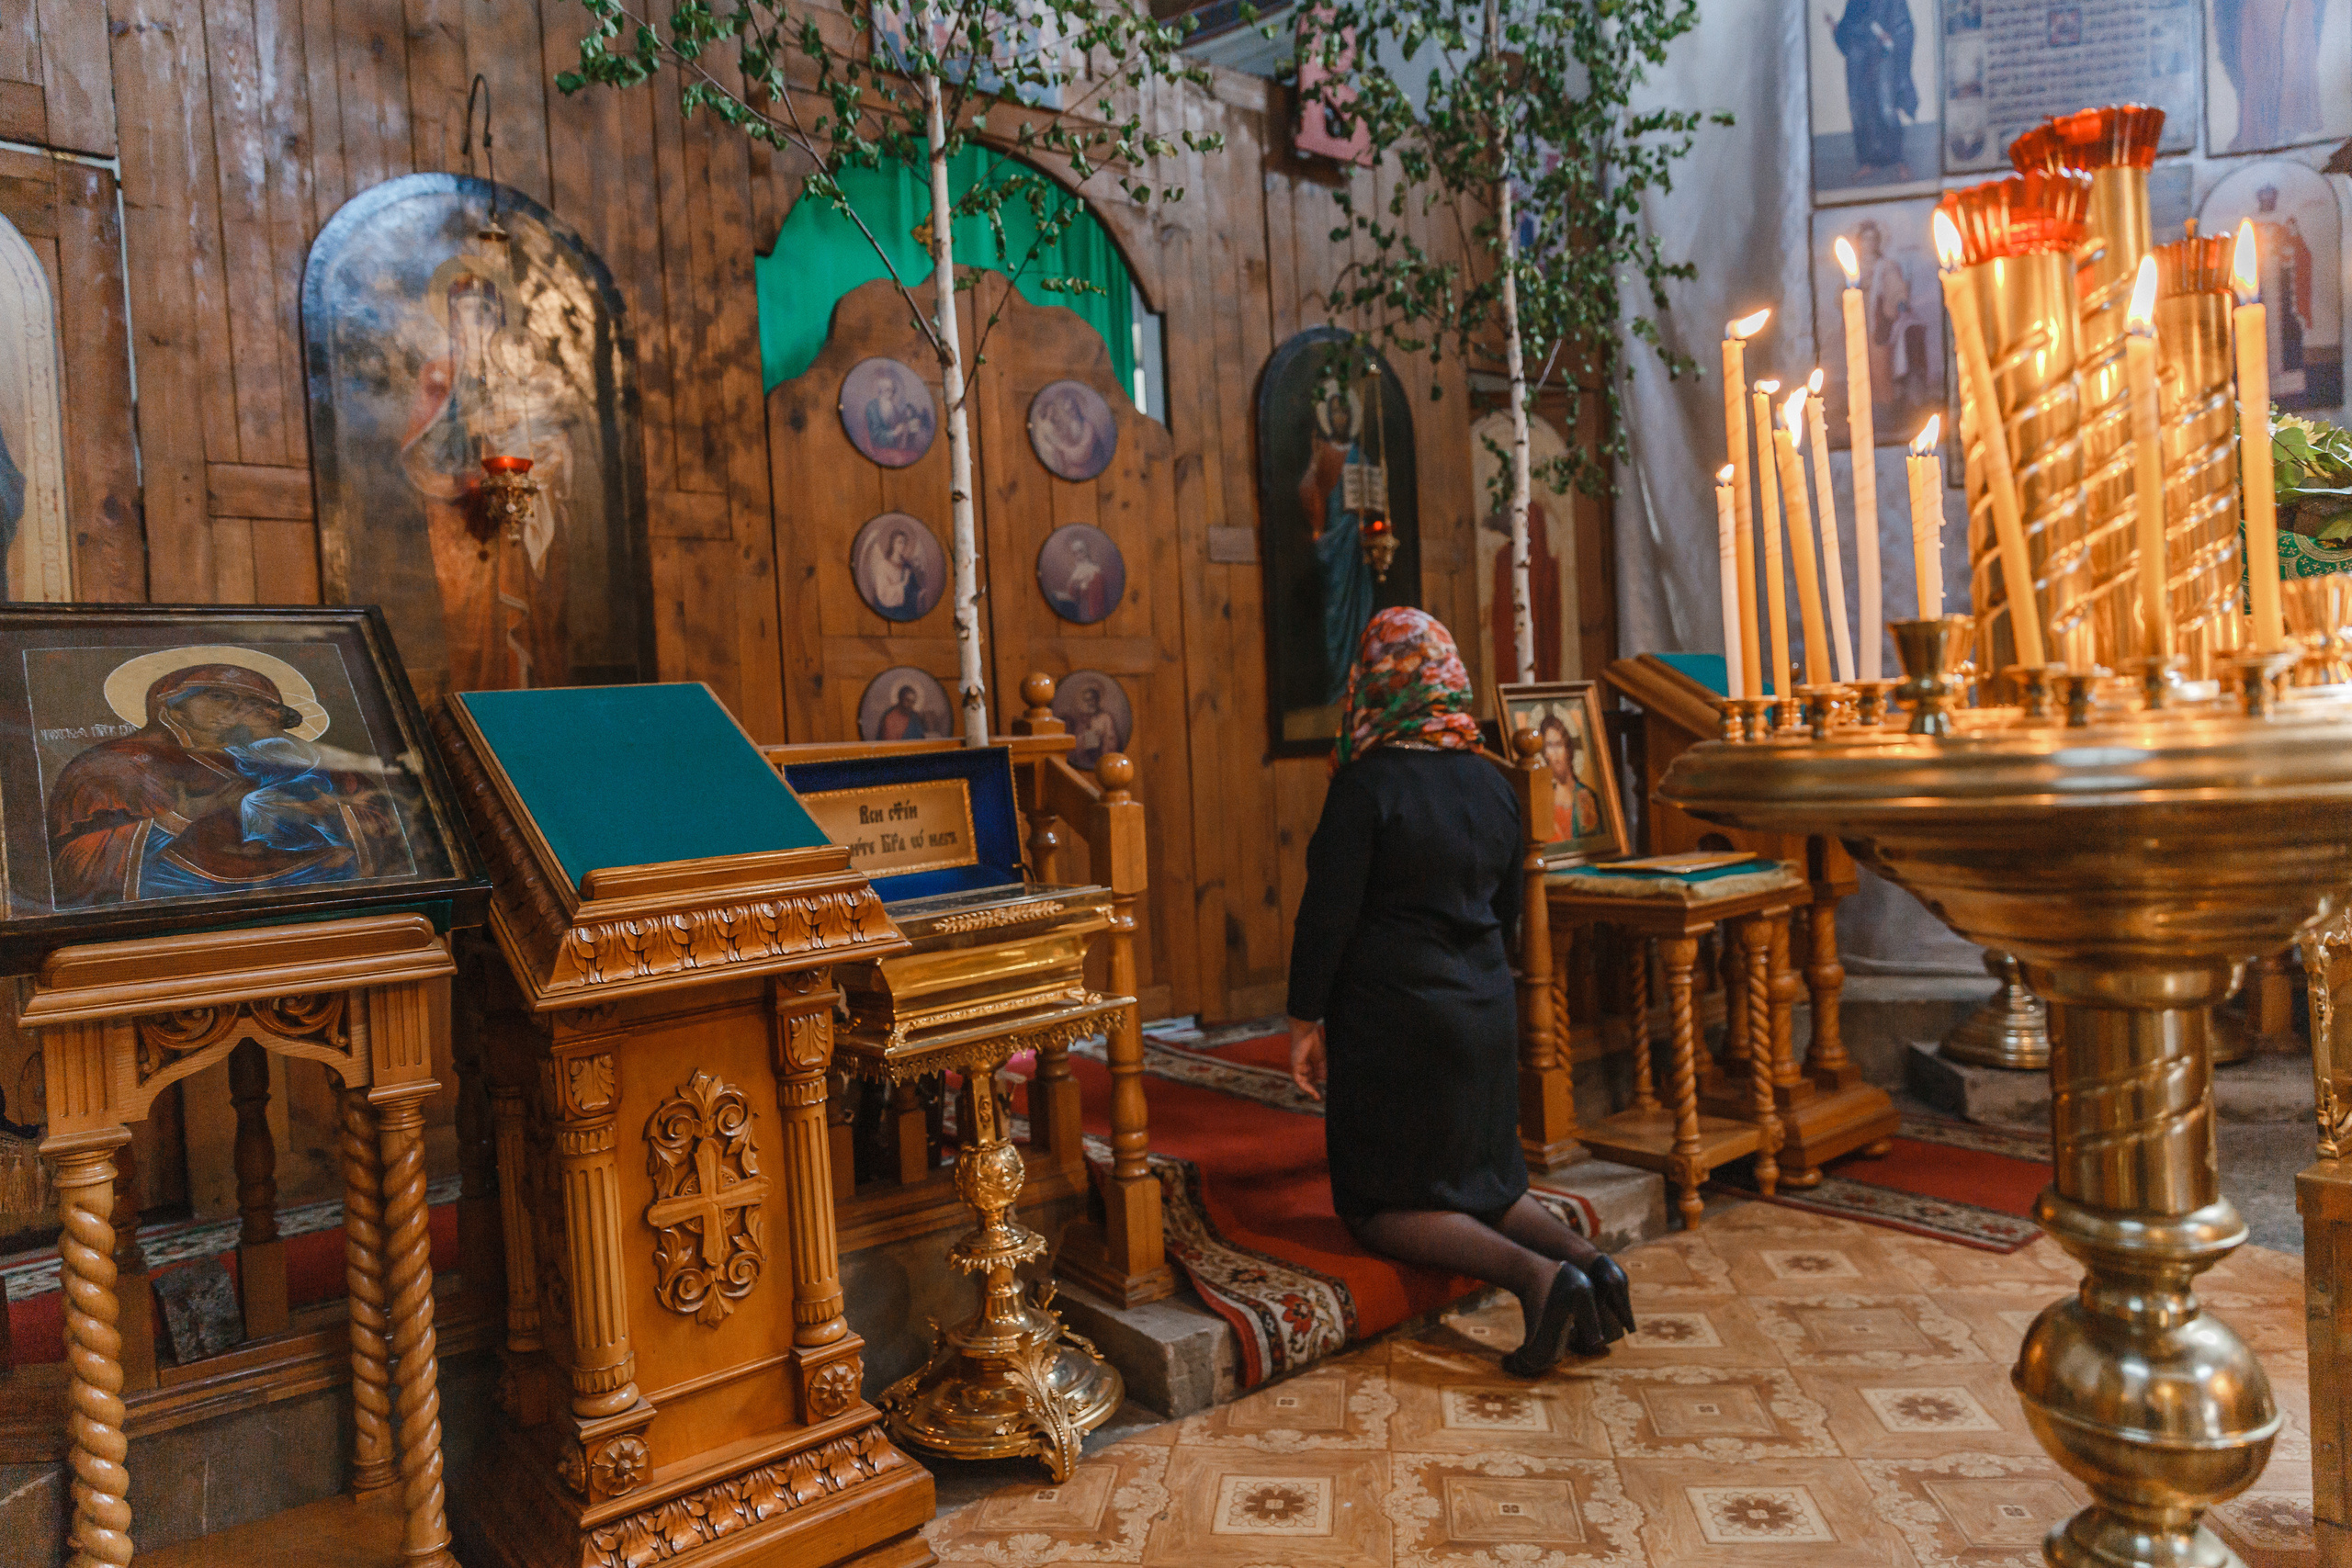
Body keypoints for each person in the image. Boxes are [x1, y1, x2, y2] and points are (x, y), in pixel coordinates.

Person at [1285, 608, 1634, 1378]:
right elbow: (1507, 910)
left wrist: (1305, 1016)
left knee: (1379, 1206)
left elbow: (1327, 916)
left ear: (1377, 680)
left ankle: (1538, 1280)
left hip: (1397, 1023)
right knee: (1485, 1180)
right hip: (1483, 1011)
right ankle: (1590, 1265)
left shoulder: (1366, 784)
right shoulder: (1493, 779)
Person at [47, 661, 410, 907]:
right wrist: (185, 815)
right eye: (220, 696)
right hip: (184, 895)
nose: (236, 710)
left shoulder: (295, 757)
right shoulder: (116, 765)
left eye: (251, 703)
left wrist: (326, 813)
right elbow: (75, 864)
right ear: (172, 707)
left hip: (309, 888)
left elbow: (387, 823)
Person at [1827, 0, 1917, 178]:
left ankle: (1899, 160)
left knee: (1886, 108)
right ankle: (1869, 161)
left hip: (1883, 57)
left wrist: (1892, 38)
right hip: (1858, 59)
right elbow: (1848, 29)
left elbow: (1905, 27)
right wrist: (1837, 30)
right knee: (1859, 110)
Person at [1538, 713, 1603, 845]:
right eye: (1549, 745)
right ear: (1545, 753)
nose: (1555, 753)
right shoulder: (1541, 798)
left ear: (1568, 750)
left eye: (1559, 744)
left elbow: (1595, 844)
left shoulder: (1585, 795)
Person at [870, 526, 924, 620]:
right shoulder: (883, 566)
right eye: (899, 542)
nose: (902, 545)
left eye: (904, 542)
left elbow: (913, 587)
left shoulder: (907, 565)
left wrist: (920, 593)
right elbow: (882, 593)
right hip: (889, 610)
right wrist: (902, 585)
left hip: (908, 608)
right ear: (893, 544)